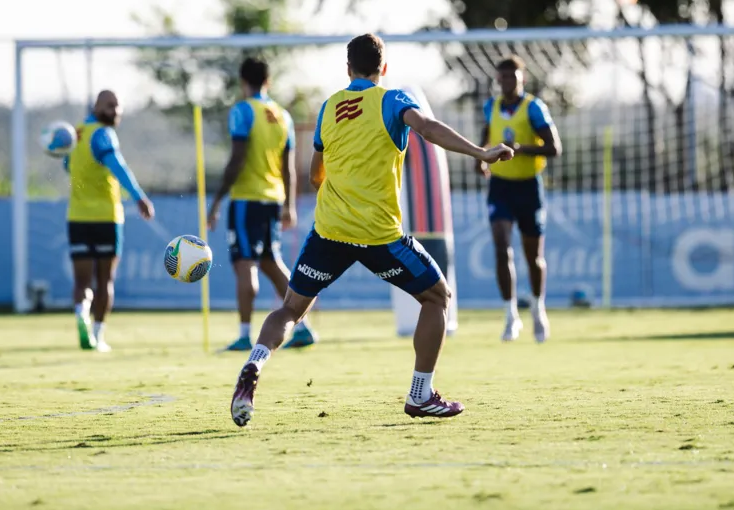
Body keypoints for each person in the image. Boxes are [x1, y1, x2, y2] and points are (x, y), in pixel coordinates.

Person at [229, 33, 514, 427]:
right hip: (380, 236)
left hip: (329, 232)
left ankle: (255, 364)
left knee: (291, 309)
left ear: (347, 69)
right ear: (384, 68)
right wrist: (482, 152)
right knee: (437, 297)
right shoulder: (392, 100)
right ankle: (420, 394)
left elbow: (315, 174)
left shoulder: (330, 107)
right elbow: (428, 129)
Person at [206, 57, 316, 351]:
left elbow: (237, 159)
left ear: (243, 82)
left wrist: (217, 201)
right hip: (273, 198)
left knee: (246, 264)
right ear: (267, 81)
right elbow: (288, 168)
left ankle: (244, 334)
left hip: (246, 199)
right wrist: (289, 205)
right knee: (270, 261)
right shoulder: (282, 115)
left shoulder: (243, 111)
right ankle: (303, 326)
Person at [476, 56, 562, 343]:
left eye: (511, 77)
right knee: (502, 249)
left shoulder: (533, 108)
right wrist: (481, 159)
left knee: (532, 257)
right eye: (501, 77)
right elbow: (486, 135)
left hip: (529, 188)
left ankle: (538, 307)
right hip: (500, 187)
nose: (506, 82)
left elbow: (554, 148)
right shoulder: (491, 107)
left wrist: (521, 148)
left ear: (521, 78)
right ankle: (510, 315)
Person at [65, 90, 154, 351]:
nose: (115, 111)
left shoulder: (75, 133)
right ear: (97, 106)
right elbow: (118, 167)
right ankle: (98, 334)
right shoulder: (103, 134)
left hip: (77, 217)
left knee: (82, 282)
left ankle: (82, 311)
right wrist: (139, 197)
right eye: (110, 106)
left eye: (118, 107)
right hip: (107, 217)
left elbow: (68, 165)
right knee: (105, 280)